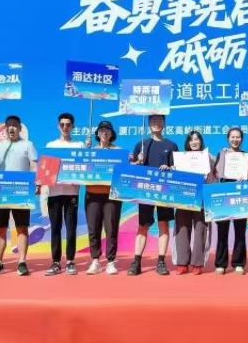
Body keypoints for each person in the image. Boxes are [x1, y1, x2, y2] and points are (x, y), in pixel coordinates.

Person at [0, 115, 38, 276]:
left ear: (20, 128)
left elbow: (34, 165)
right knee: (0, 228)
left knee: (22, 227)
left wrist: (37, 183)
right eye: (9, 126)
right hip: (1, 192)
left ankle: (22, 262)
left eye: (15, 125)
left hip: (21, 192)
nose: (12, 128)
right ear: (5, 129)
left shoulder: (28, 145)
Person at [127, 114, 178, 276]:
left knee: (163, 224)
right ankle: (136, 261)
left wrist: (171, 168)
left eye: (159, 121)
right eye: (153, 121)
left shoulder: (171, 145)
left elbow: (177, 168)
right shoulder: (141, 145)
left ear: (164, 123)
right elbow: (132, 169)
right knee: (143, 225)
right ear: (148, 124)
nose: (156, 123)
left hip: (165, 191)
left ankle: (161, 261)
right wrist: (137, 162)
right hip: (145, 191)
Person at [43, 112, 84, 276]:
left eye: (68, 125)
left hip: (71, 192)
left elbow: (84, 168)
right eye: (62, 125)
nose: (65, 127)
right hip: (54, 193)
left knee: (71, 228)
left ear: (72, 126)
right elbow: (45, 169)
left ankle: (70, 261)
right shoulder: (51, 145)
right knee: (55, 228)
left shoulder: (79, 145)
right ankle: (55, 262)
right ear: (58, 126)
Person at [173, 130, 215, 275]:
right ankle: (182, 263)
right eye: (191, 140)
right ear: (188, 143)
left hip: (202, 198)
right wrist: (173, 170)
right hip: (183, 198)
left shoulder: (209, 157)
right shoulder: (181, 158)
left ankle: (197, 263)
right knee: (182, 228)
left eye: (197, 139)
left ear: (201, 141)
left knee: (200, 229)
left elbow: (215, 178)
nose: (194, 142)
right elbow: (175, 178)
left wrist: (209, 174)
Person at [85, 120, 124, 275]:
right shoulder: (90, 151)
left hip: (112, 195)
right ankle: (95, 260)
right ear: (97, 133)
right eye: (101, 130)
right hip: (92, 194)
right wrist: (85, 151)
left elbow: (125, 169)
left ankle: (110, 261)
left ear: (112, 133)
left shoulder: (118, 151)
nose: (104, 132)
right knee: (93, 229)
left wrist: (136, 160)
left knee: (111, 228)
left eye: (107, 130)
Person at [214, 127, 248, 275]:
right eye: (232, 137)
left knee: (240, 230)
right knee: (222, 231)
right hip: (224, 195)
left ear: (241, 139)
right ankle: (220, 264)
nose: (235, 139)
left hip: (241, 195)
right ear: (228, 138)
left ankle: (238, 263)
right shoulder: (222, 153)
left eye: (238, 137)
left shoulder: (246, 156)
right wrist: (223, 157)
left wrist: (247, 172)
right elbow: (216, 173)